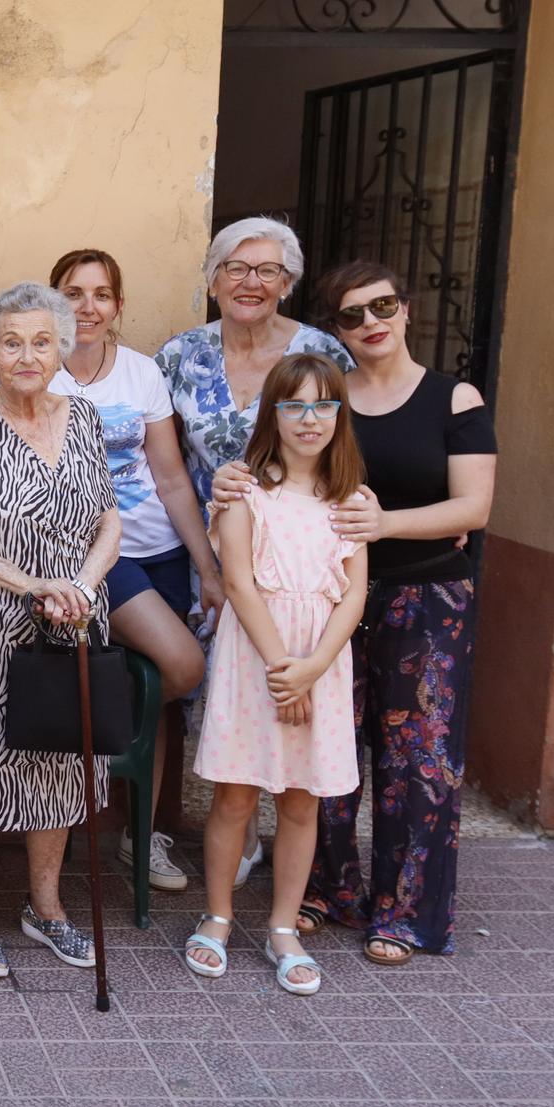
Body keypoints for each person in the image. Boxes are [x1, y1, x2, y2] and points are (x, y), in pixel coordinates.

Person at [213, 262, 495, 965]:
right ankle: (324, 892)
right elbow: (255, 505)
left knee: (415, 759)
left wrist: (380, 522)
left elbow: (474, 507)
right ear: (334, 328)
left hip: (419, 597)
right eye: (350, 313)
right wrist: (228, 482)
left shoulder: (449, 398)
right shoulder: (331, 398)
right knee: (327, 764)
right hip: (306, 614)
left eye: (383, 306)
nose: (370, 321)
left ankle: (403, 914)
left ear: (407, 310)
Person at [0, 282, 122, 978]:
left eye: (41, 340)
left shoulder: (86, 418)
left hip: (74, 619)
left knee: (62, 756)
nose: (27, 354)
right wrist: (32, 584)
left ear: (62, 346)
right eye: (12, 341)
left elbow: (109, 523)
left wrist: (85, 587)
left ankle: (47, 906)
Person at [156, 216, 352, 884]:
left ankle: (277, 840)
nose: (251, 282)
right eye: (236, 268)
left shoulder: (323, 350)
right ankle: (210, 834)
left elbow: (347, 440)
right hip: (201, 558)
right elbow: (169, 466)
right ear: (212, 280)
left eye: (268, 270)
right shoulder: (179, 355)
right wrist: (208, 566)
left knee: (289, 691)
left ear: (288, 282)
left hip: (297, 555)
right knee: (208, 697)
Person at [182, 355, 367, 998]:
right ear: (273, 415)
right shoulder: (244, 493)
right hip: (255, 660)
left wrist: (311, 669)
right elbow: (238, 582)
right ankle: (219, 915)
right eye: (294, 405)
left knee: (300, 799)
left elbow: (353, 595)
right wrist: (280, 671)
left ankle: (283, 927)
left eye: (323, 405)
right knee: (236, 796)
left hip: (320, 662)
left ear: (340, 415)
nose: (309, 419)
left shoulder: (351, 501)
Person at [47, 249, 214, 892]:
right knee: (180, 667)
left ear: (118, 306)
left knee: (163, 701)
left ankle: (140, 839)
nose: (87, 307)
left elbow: (171, 478)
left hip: (161, 551)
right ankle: (95, 762)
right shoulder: (36, 371)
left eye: (102, 294)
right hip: (91, 557)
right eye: (73, 292)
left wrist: (208, 568)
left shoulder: (142, 374)